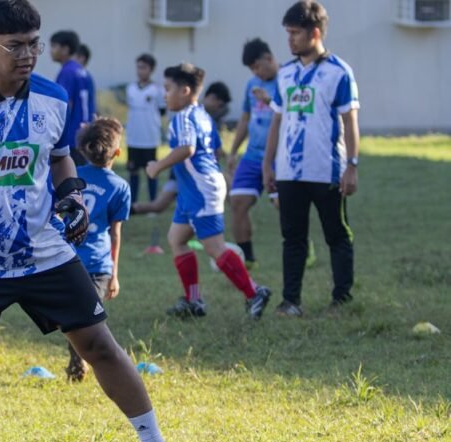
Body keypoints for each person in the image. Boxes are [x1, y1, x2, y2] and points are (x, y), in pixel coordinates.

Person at [0, 1, 191, 442]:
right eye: (15, 45)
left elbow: (62, 158)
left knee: (100, 346)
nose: (28, 55)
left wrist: (73, 197)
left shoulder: (53, 96)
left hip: (46, 251)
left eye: (34, 43)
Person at [146, 63, 272, 320]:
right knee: (176, 239)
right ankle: (194, 301)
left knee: (214, 247)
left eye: (168, 89)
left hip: (201, 188)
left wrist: (158, 166)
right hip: (195, 187)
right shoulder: (202, 115)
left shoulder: (182, 117)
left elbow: (187, 149)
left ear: (185, 90)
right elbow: (215, 150)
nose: (164, 94)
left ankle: (254, 292)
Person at [263, 0, 360, 316]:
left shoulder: (339, 72)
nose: (289, 39)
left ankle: (341, 298)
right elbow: (277, 120)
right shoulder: (286, 74)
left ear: (315, 33)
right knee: (293, 239)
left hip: (327, 171)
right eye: (287, 33)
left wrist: (352, 166)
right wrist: (268, 163)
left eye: (295, 33)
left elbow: (350, 121)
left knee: (336, 234)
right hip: (290, 171)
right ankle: (291, 300)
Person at [66, 117, 131, 382]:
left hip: (67, 261)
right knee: (89, 320)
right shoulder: (120, 187)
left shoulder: (71, 177)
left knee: (75, 317)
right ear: (117, 152)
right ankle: (86, 363)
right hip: (97, 264)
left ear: (83, 148)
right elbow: (115, 234)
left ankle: (78, 361)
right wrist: (115, 274)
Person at [226, 38, 279, 269]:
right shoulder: (251, 84)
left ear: (269, 58)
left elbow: (293, 115)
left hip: (280, 156)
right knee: (237, 202)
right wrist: (233, 151)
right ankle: (248, 260)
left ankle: (304, 247)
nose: (256, 73)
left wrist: (269, 100)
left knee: (284, 205)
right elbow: (245, 118)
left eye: (257, 66)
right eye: (252, 69)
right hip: (253, 155)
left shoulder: (288, 80)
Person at [50, 30, 96, 166]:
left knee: (71, 178)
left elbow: (65, 104)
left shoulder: (67, 72)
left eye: (53, 46)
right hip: (86, 132)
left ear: (65, 49)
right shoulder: (83, 71)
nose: (50, 51)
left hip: (71, 135)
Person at [125, 53, 167, 204]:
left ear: (151, 69)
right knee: (133, 171)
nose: (140, 71)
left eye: (144, 67)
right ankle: (133, 203)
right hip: (134, 137)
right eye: (138, 67)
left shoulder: (157, 90)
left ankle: (153, 202)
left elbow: (162, 110)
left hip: (149, 138)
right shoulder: (130, 88)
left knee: (151, 171)